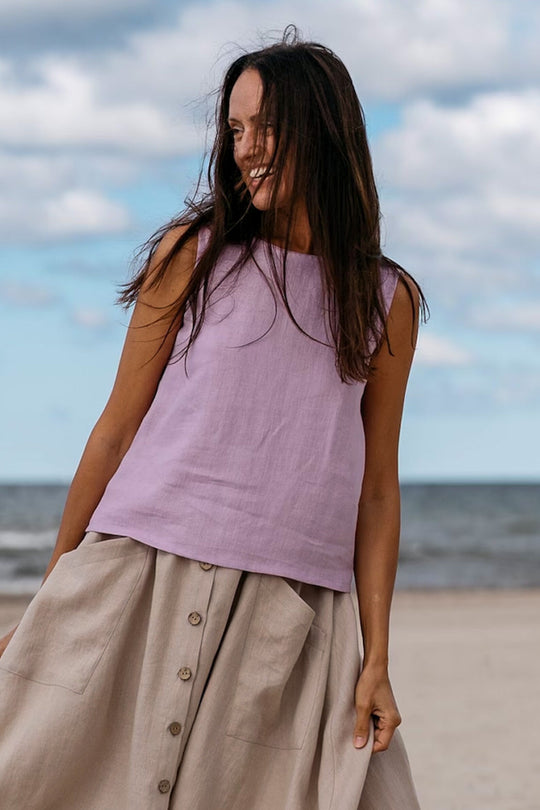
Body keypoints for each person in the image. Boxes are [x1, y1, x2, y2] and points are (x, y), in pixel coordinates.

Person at [0, 25, 428, 810]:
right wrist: (53, 594)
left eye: (268, 127)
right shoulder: (192, 256)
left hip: (295, 610)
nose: (247, 148)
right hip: (140, 580)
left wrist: (377, 657)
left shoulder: (385, 300)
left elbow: (375, 490)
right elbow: (116, 432)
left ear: (325, 132)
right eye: (236, 129)